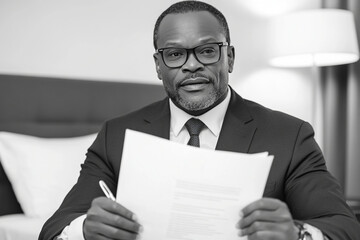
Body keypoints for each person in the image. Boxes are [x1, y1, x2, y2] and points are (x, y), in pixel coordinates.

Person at [39, 1, 360, 240]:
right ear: (158, 65)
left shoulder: (289, 134)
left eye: (207, 51)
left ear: (229, 58)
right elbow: (53, 230)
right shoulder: (117, 134)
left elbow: (343, 226)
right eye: (175, 54)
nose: (191, 65)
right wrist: (83, 229)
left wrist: (298, 233)